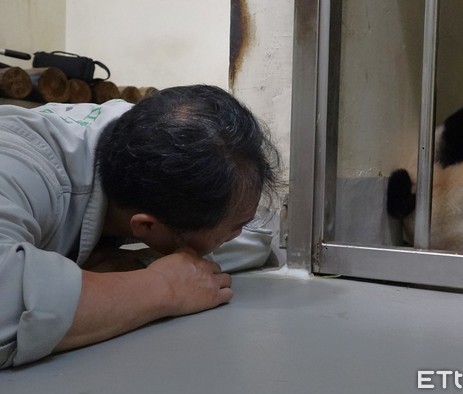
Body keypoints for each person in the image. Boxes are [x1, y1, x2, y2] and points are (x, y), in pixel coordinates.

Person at [0, 85, 280, 368]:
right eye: (234, 227)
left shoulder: (157, 142)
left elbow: (256, 239)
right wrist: (161, 286)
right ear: (146, 227)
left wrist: (122, 271)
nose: (239, 233)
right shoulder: (20, 171)